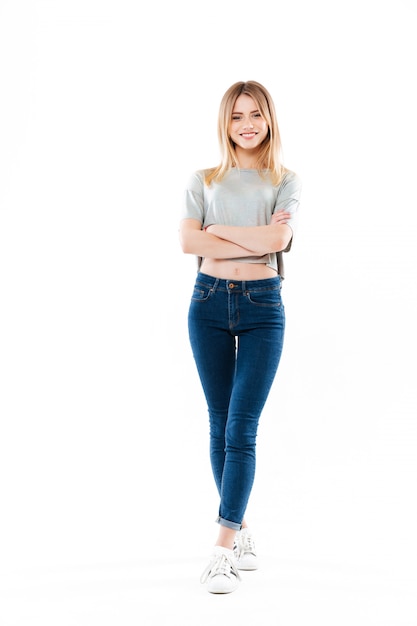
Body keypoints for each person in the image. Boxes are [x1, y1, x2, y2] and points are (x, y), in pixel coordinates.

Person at [179, 80, 302, 594]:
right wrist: (244, 236)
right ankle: (242, 526)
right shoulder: (202, 178)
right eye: (236, 116)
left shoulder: (285, 179)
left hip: (262, 306)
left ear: (268, 119)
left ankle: (222, 549)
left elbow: (278, 240)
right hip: (207, 302)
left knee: (241, 427)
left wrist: (220, 232)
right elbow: (188, 241)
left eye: (255, 114)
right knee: (218, 423)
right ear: (225, 123)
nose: (246, 124)